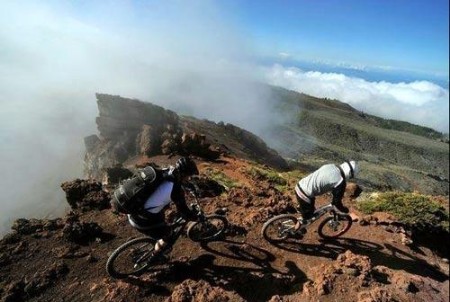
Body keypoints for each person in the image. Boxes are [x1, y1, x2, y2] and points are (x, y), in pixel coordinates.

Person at [127, 157, 200, 255]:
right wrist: (194, 217)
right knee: (169, 235)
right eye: (188, 176)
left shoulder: (165, 171)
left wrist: (189, 186)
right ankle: (155, 256)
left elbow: (176, 183)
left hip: (134, 209)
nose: (189, 178)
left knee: (163, 218)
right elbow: (184, 212)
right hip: (142, 220)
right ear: (183, 174)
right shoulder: (176, 190)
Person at [295, 160, 359, 224]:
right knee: (308, 219)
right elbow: (337, 203)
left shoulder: (331, 165)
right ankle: (295, 230)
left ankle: (301, 208)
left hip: (300, 184)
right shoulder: (340, 182)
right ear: (349, 174)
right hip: (305, 194)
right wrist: (346, 211)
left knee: (312, 209)